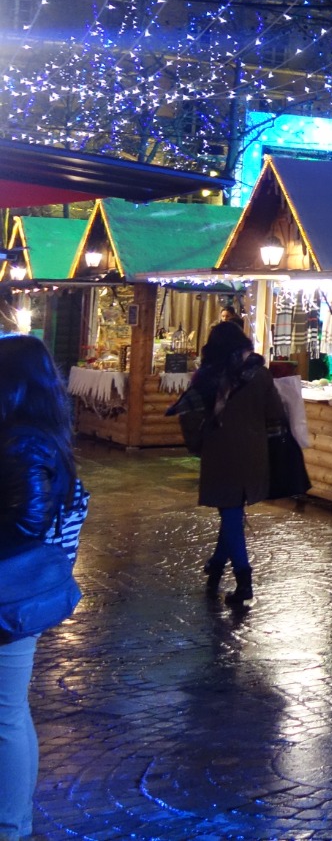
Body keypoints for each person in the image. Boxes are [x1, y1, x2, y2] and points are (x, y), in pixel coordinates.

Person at [0, 335, 84, 840]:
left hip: (9, 595)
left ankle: (10, 825)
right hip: (16, 595)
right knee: (10, 711)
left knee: (6, 714)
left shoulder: (24, 442)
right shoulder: (38, 434)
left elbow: (25, 523)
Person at [188, 321, 287, 607]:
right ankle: (217, 563)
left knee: (230, 510)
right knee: (232, 509)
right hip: (254, 452)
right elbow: (275, 411)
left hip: (221, 451)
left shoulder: (207, 376)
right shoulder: (260, 374)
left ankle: (244, 581)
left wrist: (196, 443)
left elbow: (191, 414)